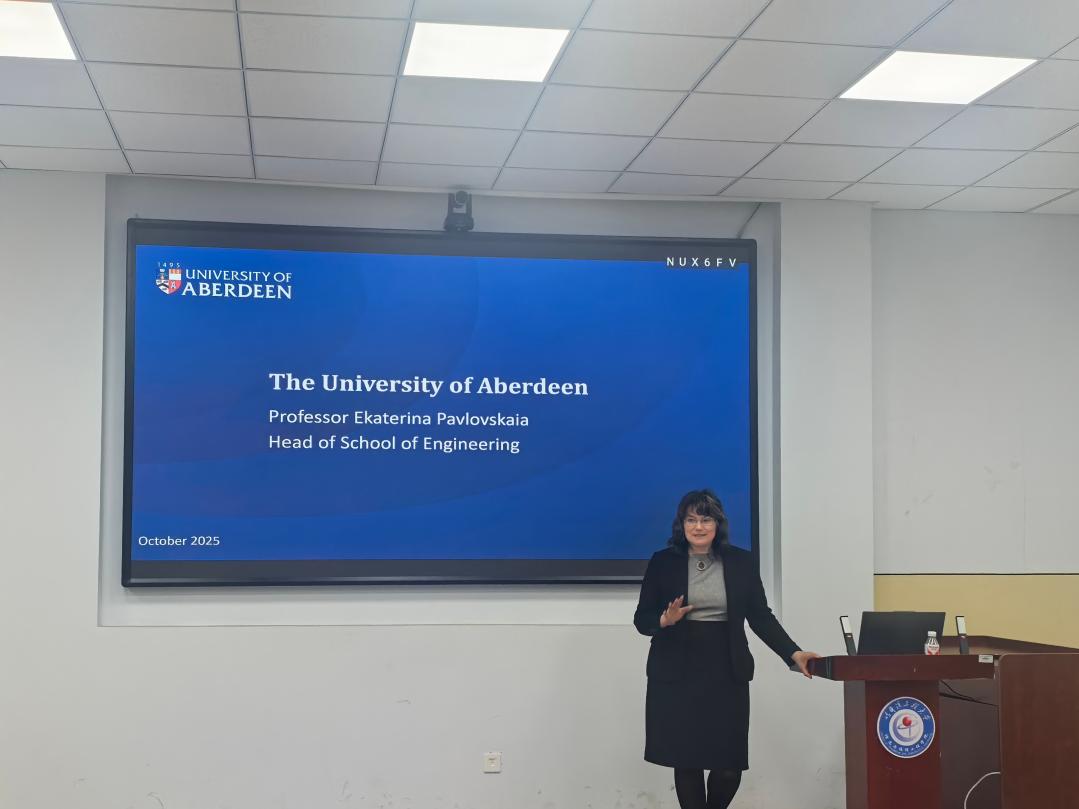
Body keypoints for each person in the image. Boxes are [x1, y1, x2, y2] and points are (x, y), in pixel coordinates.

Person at [634, 489, 820, 809]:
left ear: (718, 523)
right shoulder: (663, 562)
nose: (699, 526)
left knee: (728, 765)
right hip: (677, 670)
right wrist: (665, 619)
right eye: (691, 520)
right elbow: (642, 619)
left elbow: (760, 616)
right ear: (681, 524)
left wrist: (793, 653)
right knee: (687, 760)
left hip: (726, 668)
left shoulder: (741, 562)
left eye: (706, 519)